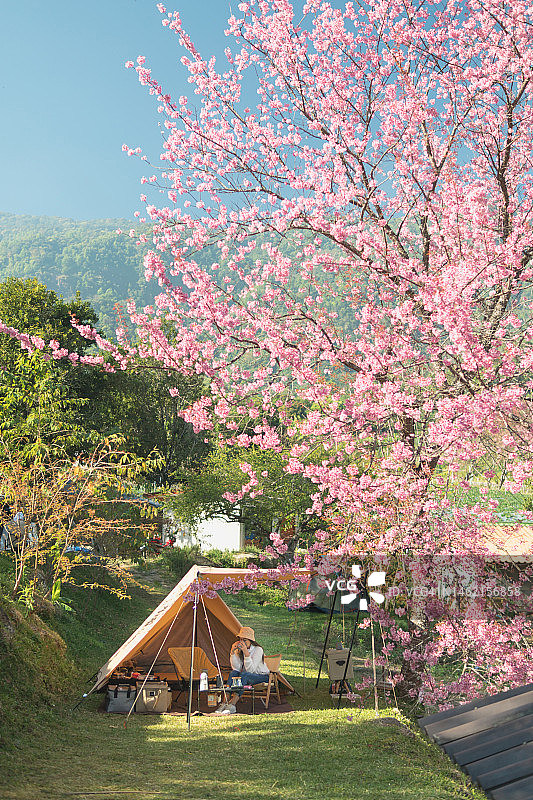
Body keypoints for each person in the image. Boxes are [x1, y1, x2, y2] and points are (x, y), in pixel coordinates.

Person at [215, 626, 270, 715]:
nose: (242, 642)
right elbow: (236, 668)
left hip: (262, 676)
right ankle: (224, 703)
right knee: (233, 673)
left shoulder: (258, 650)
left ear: (251, 641)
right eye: (240, 639)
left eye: (245, 640)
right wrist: (232, 652)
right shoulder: (240, 650)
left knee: (244, 675)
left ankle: (232, 704)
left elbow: (251, 670)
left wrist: (246, 654)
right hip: (246, 676)